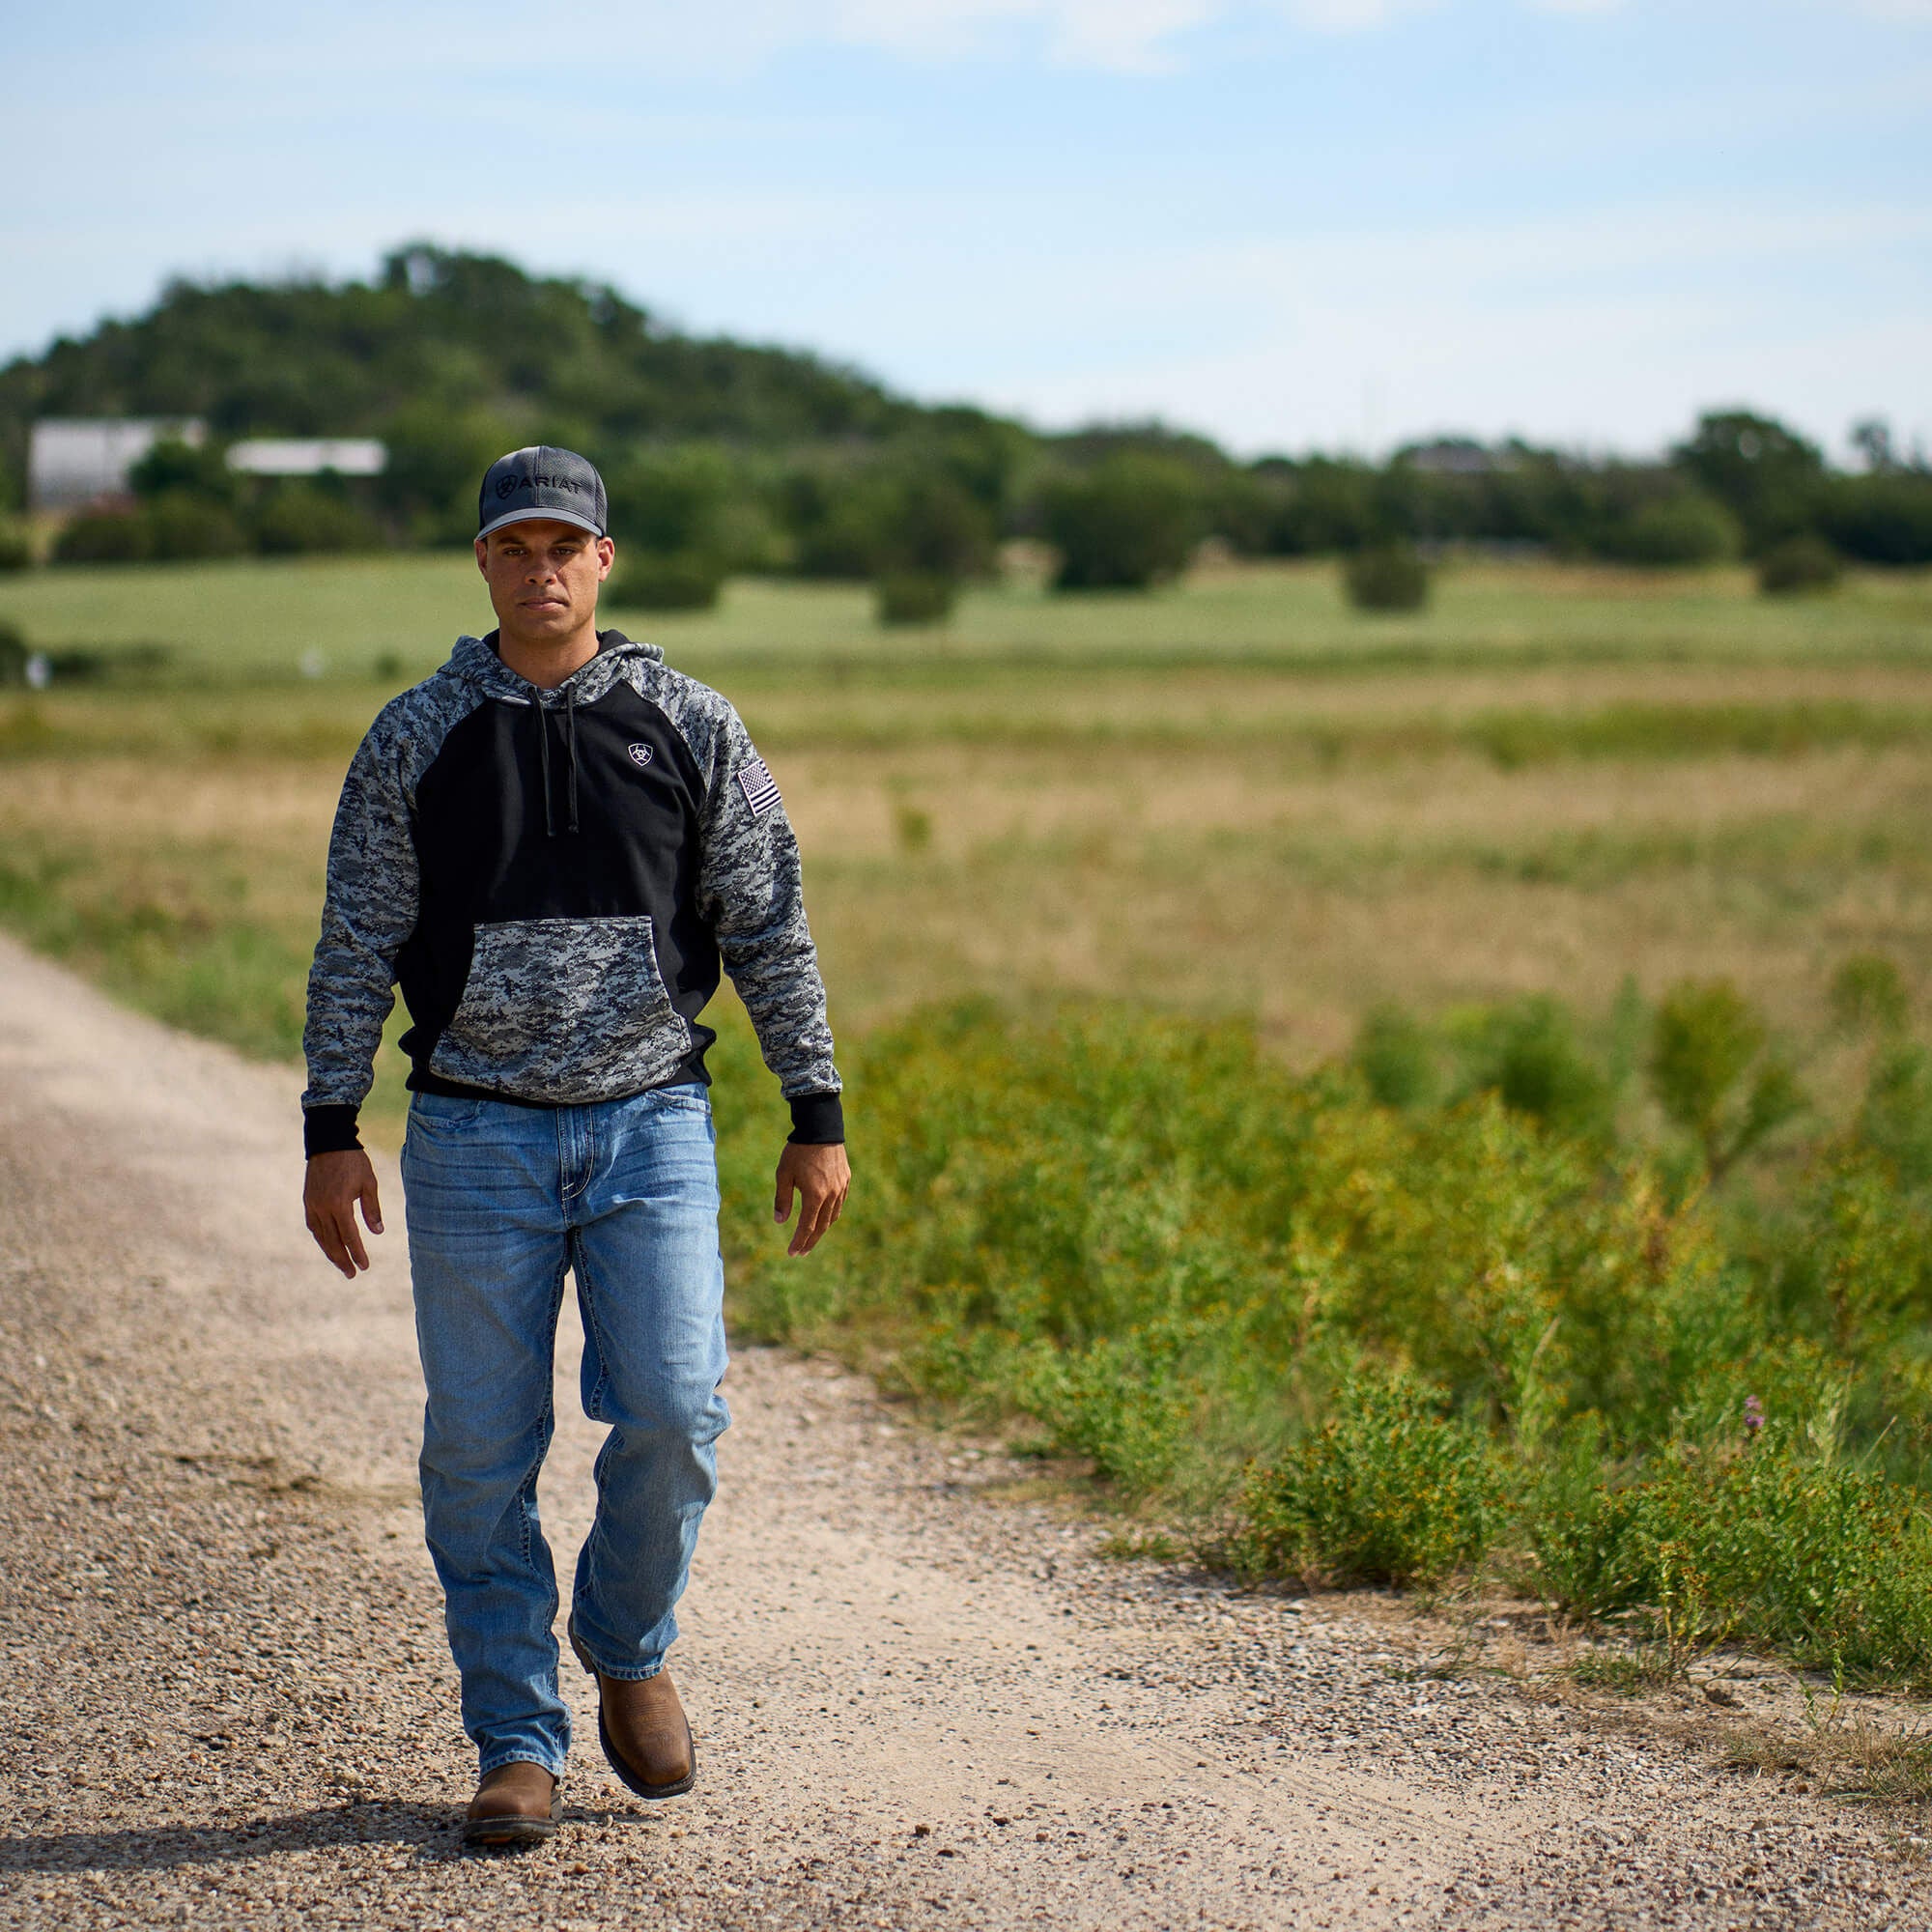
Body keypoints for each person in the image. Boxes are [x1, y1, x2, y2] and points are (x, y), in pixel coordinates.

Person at [298, 445, 850, 1849]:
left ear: (605, 561)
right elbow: (356, 936)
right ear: (481, 564)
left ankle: (626, 1641)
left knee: (675, 1408)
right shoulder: (416, 735)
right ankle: (516, 1742)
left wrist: (815, 1109)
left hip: (651, 1124)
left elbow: (768, 918)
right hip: (472, 1136)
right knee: (481, 1452)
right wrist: (330, 1124)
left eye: (566, 546)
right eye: (514, 547)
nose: (541, 569)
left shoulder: (688, 720)